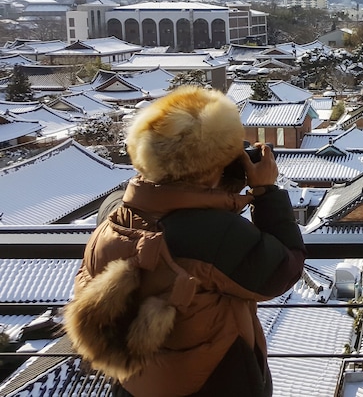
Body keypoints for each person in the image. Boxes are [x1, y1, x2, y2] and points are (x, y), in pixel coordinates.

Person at [66, 86, 305, 396]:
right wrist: (266, 192)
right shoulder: (214, 232)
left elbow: (158, 197)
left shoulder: (113, 215)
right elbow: (284, 269)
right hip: (214, 382)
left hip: (137, 384)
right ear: (211, 169)